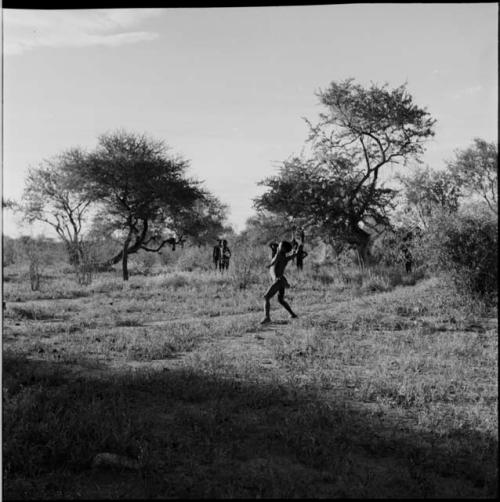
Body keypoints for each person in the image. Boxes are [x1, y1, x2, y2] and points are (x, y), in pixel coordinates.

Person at [261, 240, 298, 324]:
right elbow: (293, 255)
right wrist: (295, 250)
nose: (278, 246)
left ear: (283, 249)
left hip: (278, 280)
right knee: (280, 300)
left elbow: (273, 268)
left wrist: (274, 278)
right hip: (281, 280)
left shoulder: (279, 256)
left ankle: (267, 317)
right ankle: (293, 314)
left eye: (279, 246)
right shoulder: (284, 257)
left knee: (266, 297)